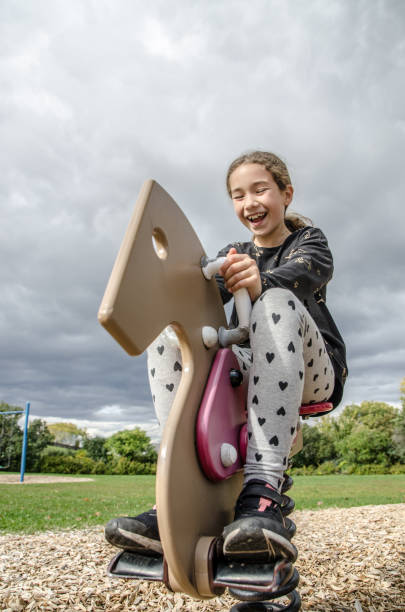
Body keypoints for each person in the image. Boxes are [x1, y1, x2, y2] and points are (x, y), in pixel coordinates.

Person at [105, 150, 347, 562]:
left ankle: (263, 493)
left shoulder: (308, 241)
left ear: (285, 193)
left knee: (275, 301)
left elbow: (310, 271)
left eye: (260, 190)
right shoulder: (233, 251)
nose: (249, 202)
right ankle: (176, 490)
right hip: (252, 369)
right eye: (238, 195)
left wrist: (261, 279)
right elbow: (199, 302)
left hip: (311, 371)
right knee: (169, 334)